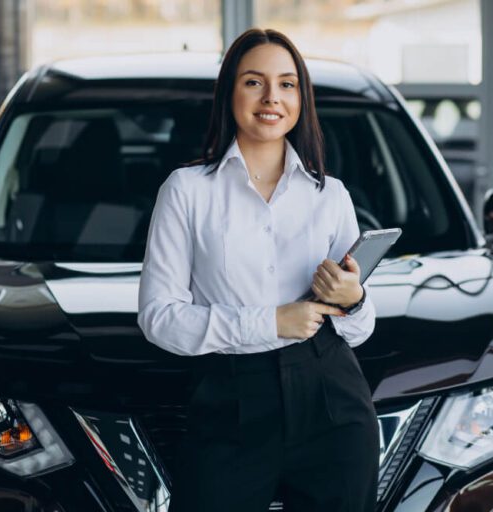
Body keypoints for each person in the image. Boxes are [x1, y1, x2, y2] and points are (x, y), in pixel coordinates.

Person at [137, 28, 379, 512]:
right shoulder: (187, 191)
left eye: (287, 84)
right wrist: (270, 322)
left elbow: (359, 330)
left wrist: (353, 300)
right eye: (254, 82)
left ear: (301, 98)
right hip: (230, 399)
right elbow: (158, 318)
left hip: (332, 394)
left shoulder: (330, 195)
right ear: (229, 92)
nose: (272, 98)